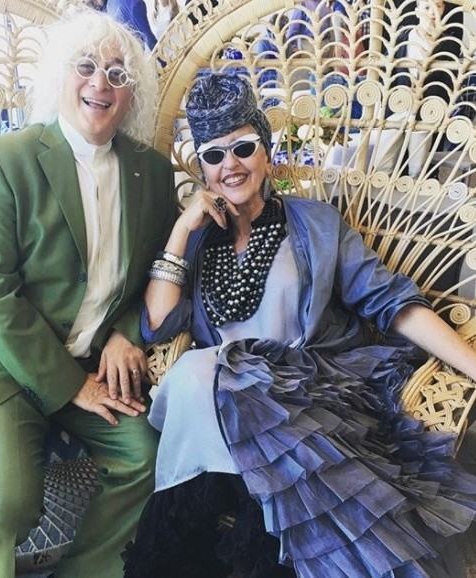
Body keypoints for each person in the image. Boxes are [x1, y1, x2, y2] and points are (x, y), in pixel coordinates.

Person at [122, 72, 476, 578]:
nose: (230, 165)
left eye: (243, 147)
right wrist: (181, 230)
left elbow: (391, 303)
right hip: (221, 411)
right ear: (202, 169)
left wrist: (472, 364)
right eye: (214, 155)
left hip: (305, 397)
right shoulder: (198, 239)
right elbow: (158, 326)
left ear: (265, 151)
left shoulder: (315, 224)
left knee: (201, 376)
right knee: (200, 375)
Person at [0, 9, 176, 578]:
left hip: (93, 359)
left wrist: (124, 333)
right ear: (60, 75)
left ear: (131, 95)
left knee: (143, 457)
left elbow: (154, 274)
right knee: (12, 501)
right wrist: (71, 387)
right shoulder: (6, 159)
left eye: (118, 73)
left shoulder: (152, 173)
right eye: (85, 66)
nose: (100, 83)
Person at [371, 0, 463, 177]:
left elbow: (448, 81)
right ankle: (380, 189)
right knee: (383, 160)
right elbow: (388, 73)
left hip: (428, 110)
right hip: (398, 105)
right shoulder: (402, 37)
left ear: (444, 9)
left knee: (418, 166)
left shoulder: (449, 42)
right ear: (416, 10)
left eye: (438, 6)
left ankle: (414, 188)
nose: (432, 12)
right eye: (427, 7)